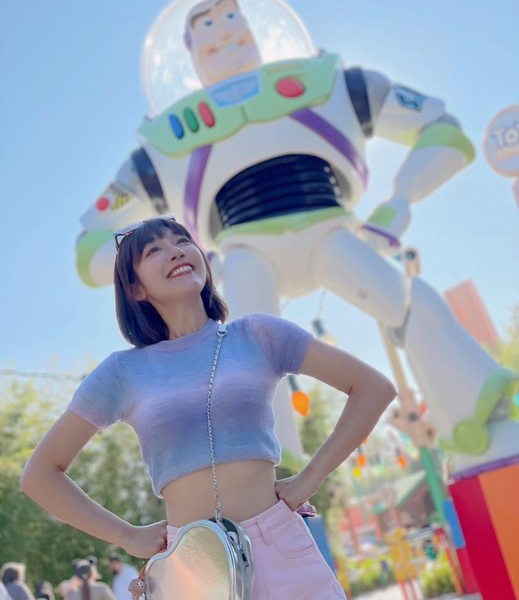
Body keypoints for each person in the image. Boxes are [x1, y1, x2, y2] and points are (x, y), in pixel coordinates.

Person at [21, 216, 396, 599]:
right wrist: (126, 535)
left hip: (281, 547)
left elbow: (373, 388)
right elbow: (39, 475)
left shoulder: (258, 335)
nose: (176, 251)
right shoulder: (122, 372)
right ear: (135, 288)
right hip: (192, 569)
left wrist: (311, 477)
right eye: (155, 250)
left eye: (182, 241)